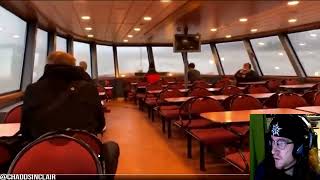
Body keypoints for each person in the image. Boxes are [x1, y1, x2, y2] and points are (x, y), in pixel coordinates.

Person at [20, 51, 119, 176]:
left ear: (48, 66)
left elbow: (25, 131)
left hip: (42, 159)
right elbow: (100, 125)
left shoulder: (32, 90)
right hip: (83, 157)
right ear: (73, 66)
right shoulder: (89, 88)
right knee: (112, 147)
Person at [255, 114, 320, 180]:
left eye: (281, 143)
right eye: (272, 142)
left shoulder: (314, 176)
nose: (273, 151)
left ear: (300, 147)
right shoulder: (263, 172)